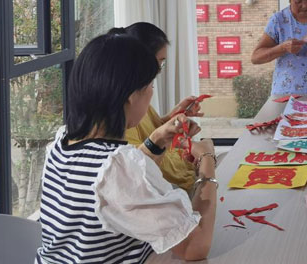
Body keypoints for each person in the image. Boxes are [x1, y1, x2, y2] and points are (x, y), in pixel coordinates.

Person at [37, 33, 217, 263]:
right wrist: (207, 159)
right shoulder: (117, 168)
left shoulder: (62, 141)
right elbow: (195, 246)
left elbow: (117, 184)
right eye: (150, 85)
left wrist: (158, 139)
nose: (151, 93)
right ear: (131, 96)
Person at [112, 22, 202, 191]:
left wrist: (172, 117)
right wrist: (206, 159)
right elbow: (138, 167)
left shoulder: (136, 95)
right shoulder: (124, 104)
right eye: (159, 62)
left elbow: (148, 129)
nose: (159, 70)